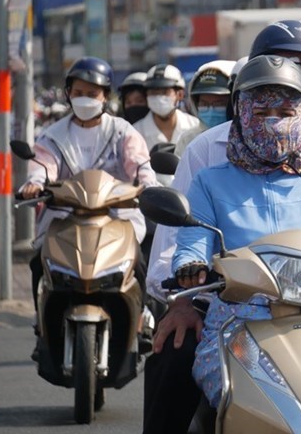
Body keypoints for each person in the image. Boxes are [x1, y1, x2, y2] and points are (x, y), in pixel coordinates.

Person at [142, 20, 301, 434]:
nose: (274, 121)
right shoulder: (208, 164)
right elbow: (184, 242)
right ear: (241, 105)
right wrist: (185, 290)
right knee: (171, 359)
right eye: (262, 110)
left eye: (286, 109)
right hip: (226, 312)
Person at [18, 56, 157, 351]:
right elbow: (43, 166)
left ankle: (142, 318)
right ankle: (42, 324)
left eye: (92, 94)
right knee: (38, 261)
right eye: (79, 92)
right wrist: (35, 183)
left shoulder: (123, 132)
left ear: (105, 96)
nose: (85, 99)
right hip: (65, 216)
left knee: (139, 262)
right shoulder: (52, 135)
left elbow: (141, 166)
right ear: (68, 93)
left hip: (117, 215)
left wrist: (148, 185)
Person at [133, 64, 201, 153]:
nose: (158, 98)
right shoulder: (136, 133)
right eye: (153, 92)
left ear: (180, 94)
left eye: (165, 92)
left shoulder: (195, 126)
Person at [174, 59, 235, 156]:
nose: (210, 110)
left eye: (218, 104)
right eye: (204, 104)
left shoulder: (246, 139)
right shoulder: (189, 139)